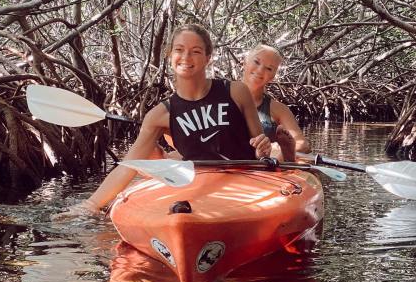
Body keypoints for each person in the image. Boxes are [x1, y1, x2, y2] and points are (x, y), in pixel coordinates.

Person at [63, 24, 271, 217]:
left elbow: (259, 145)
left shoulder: (236, 91)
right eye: (179, 50)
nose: (186, 57)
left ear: (208, 57)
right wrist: (90, 204)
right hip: (199, 185)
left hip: (244, 180)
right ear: (169, 55)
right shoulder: (159, 115)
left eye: (196, 51)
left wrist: (263, 151)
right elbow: (129, 165)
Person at [242, 44, 310, 162]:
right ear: (244, 63)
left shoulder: (278, 109)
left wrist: (278, 150)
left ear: (272, 77)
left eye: (269, 68)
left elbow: (303, 144)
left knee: (274, 154)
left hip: (266, 166)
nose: (260, 70)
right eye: (257, 62)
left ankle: (280, 157)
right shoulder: (221, 97)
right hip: (228, 160)